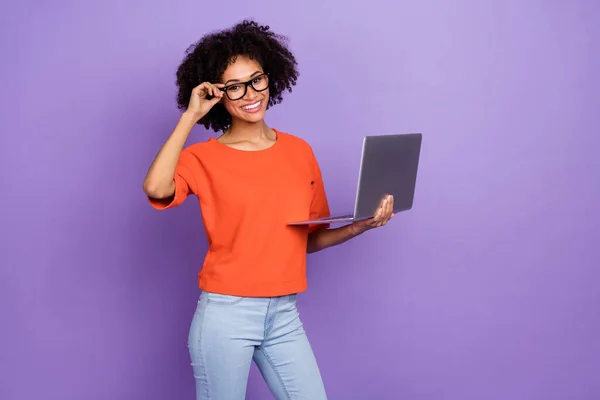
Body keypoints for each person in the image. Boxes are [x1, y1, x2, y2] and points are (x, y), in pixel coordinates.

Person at [143, 19, 394, 400]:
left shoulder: (299, 151)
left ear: (270, 77)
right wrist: (189, 117)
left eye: (256, 79)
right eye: (234, 86)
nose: (250, 93)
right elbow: (156, 187)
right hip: (226, 315)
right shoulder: (202, 158)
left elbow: (308, 239)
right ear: (218, 95)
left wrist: (362, 225)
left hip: (283, 315)